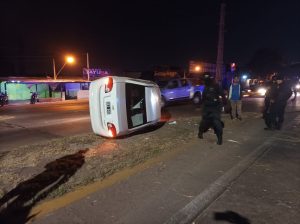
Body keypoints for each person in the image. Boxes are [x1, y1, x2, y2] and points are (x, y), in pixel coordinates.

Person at [198, 74, 226, 145]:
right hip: (207, 107)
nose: (204, 81)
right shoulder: (205, 87)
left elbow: (222, 94)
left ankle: (219, 139)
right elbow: (203, 97)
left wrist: (224, 102)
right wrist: (201, 105)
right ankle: (200, 133)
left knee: (216, 122)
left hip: (215, 107)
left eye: (205, 80)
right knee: (204, 122)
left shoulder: (216, 86)